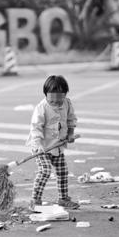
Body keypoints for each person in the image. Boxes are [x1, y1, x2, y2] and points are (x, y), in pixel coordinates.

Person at [26, 75, 79, 210]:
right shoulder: (41, 108)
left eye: (59, 101)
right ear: (46, 96)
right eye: (52, 101)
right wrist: (37, 145)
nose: (56, 104)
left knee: (62, 172)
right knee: (45, 171)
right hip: (41, 147)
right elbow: (35, 128)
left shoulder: (67, 103)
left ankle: (63, 198)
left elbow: (71, 119)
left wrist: (71, 134)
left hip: (58, 146)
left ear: (65, 95)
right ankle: (35, 200)